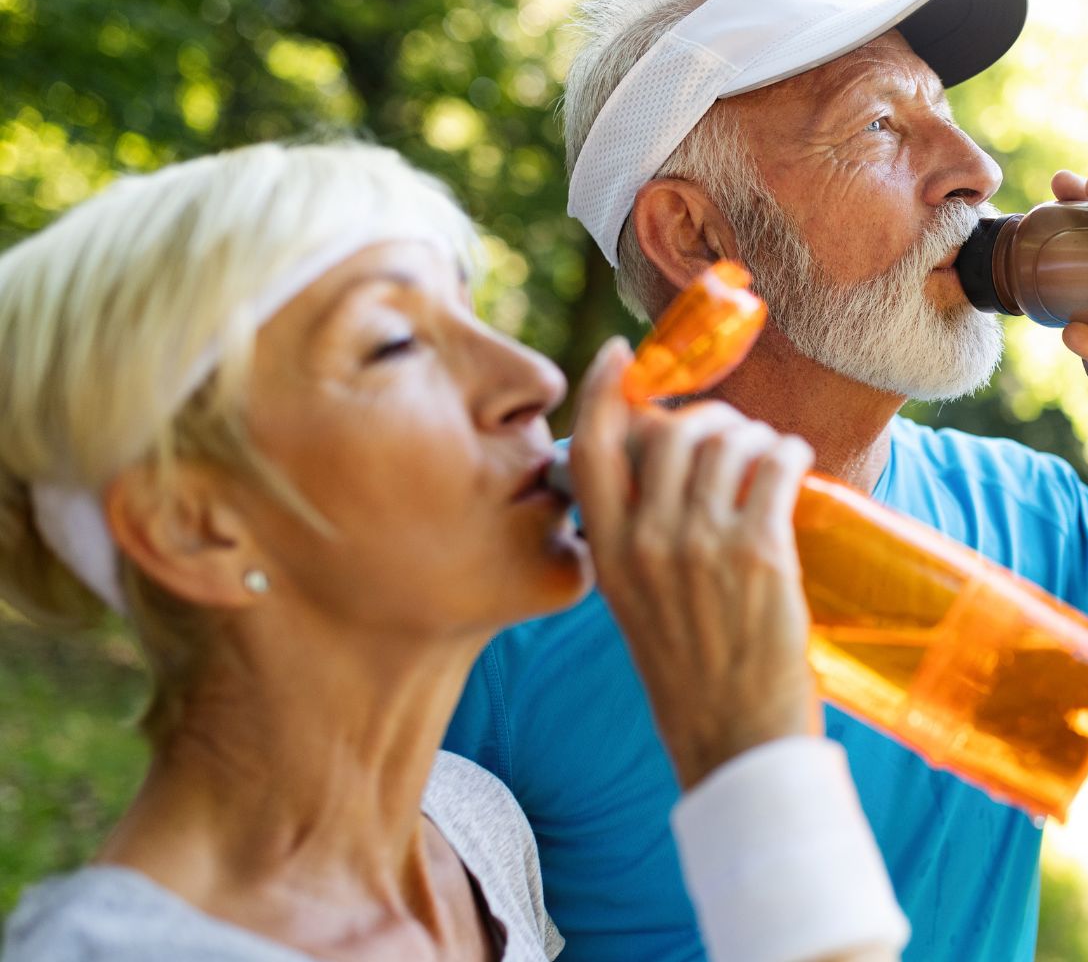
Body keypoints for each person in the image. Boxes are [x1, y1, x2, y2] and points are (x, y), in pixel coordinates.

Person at [445, 0, 1088, 961]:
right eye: (879, 125)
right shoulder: (486, 584)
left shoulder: (1032, 524)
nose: (977, 171)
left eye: (946, 114)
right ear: (696, 236)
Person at [0, 142, 909, 962]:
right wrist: (749, 757)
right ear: (193, 525)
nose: (536, 382)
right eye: (394, 344)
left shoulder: (473, 834)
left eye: (470, 318)